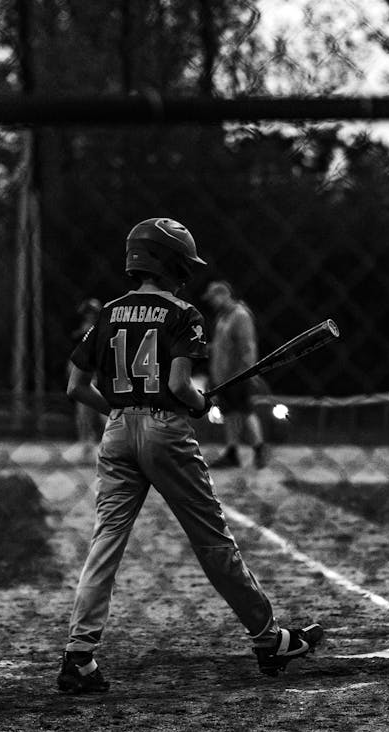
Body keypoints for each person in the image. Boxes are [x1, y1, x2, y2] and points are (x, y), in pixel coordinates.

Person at [58, 217, 322, 694]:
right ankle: (269, 639)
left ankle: (79, 656)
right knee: (211, 539)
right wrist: (201, 406)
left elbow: (77, 386)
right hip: (165, 432)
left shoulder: (110, 311)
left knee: (106, 542)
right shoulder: (183, 314)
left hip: (116, 434)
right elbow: (181, 386)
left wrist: (118, 410)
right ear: (172, 263)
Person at [202, 280, 267, 469]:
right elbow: (223, 346)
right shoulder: (223, 317)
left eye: (213, 298)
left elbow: (248, 346)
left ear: (224, 294)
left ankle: (259, 448)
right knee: (229, 413)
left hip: (238, 374)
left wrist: (248, 372)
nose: (212, 302)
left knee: (245, 411)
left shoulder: (240, 315)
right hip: (223, 377)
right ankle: (232, 452)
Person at [68, 298, 106, 460]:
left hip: (100, 378)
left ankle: (110, 443)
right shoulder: (85, 332)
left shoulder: (100, 330)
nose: (89, 316)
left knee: (106, 414)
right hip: (87, 379)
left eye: (91, 313)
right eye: (87, 314)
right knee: (84, 415)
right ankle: (86, 445)